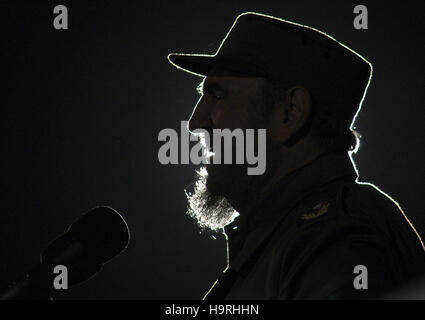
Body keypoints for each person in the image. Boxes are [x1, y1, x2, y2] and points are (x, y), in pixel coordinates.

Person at [167, 12, 425, 299]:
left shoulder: (337, 237)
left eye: (217, 95)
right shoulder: (295, 237)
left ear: (290, 113)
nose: (195, 122)